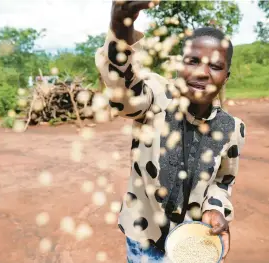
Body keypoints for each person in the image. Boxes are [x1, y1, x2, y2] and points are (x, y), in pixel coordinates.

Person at [95, 1, 245, 262]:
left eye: (215, 66)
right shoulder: (155, 99)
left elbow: (223, 182)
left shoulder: (232, 129)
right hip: (144, 242)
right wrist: (120, 26)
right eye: (193, 61)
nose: (201, 72)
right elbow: (124, 94)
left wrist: (214, 209)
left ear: (227, 75)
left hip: (194, 243)